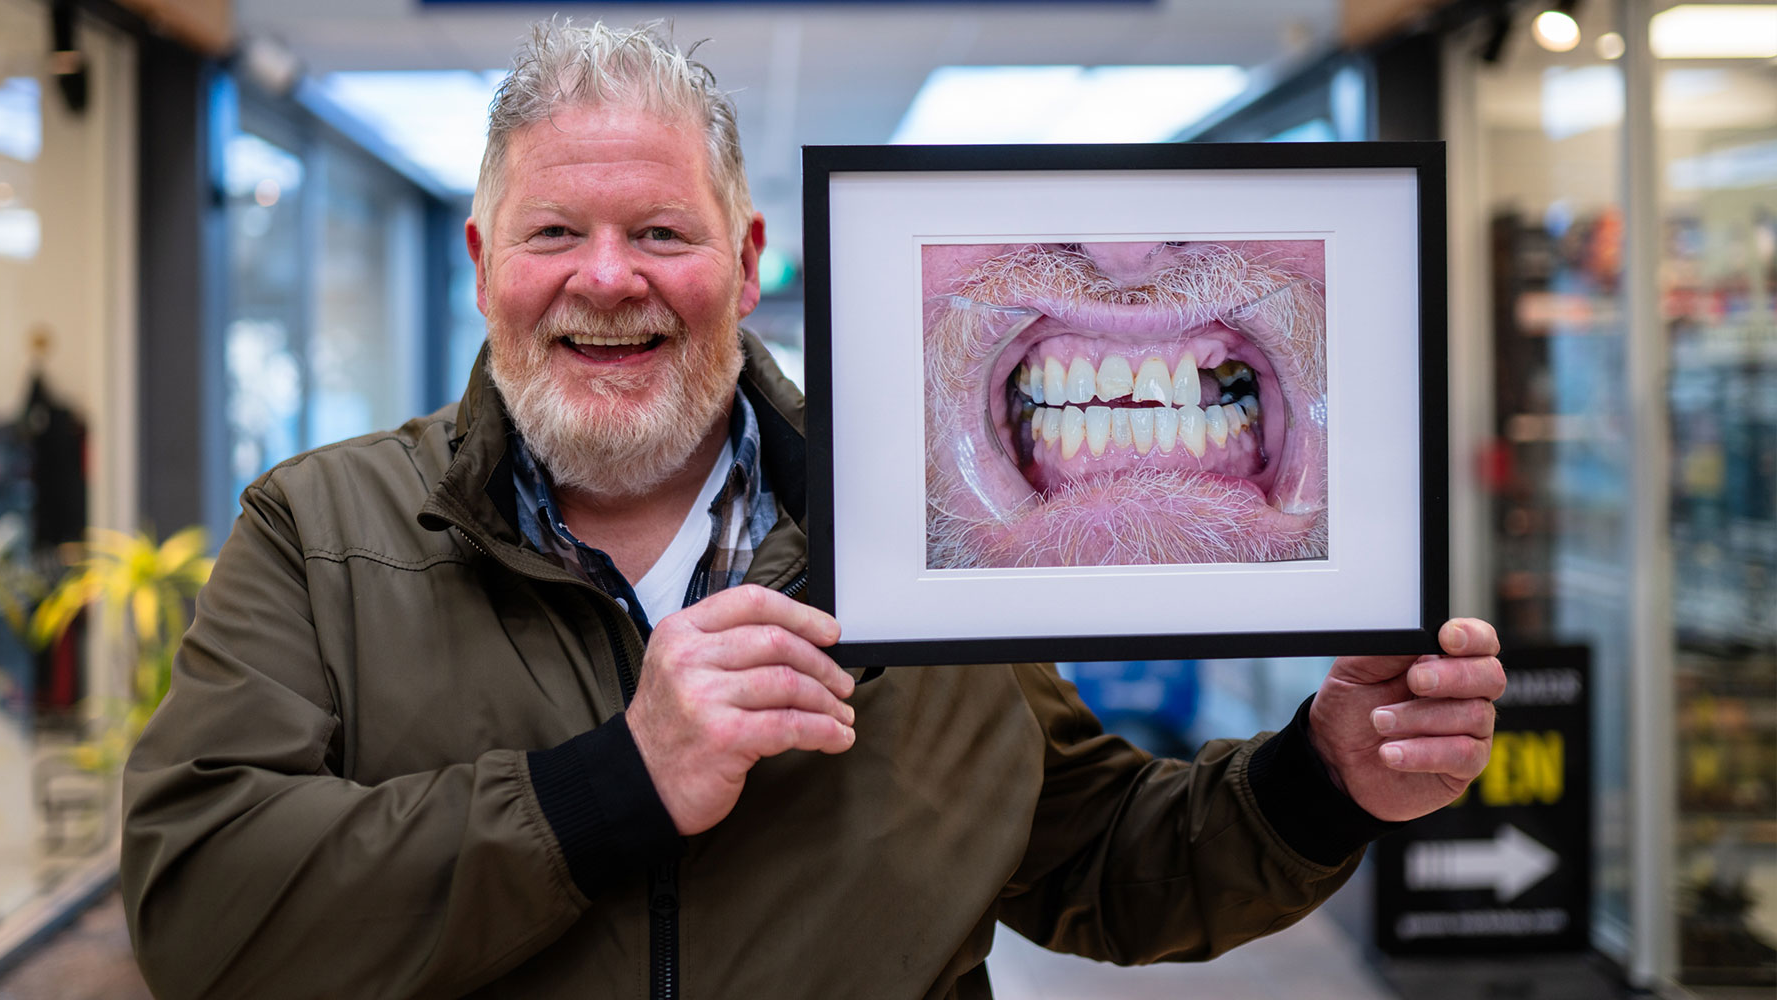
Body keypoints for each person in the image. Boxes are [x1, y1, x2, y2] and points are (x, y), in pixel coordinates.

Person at [121, 21, 1505, 1000]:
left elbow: (1096, 862)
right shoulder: (318, 531)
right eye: (554, 233)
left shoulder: (917, 524)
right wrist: (616, 785)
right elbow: (204, 911)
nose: (607, 279)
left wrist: (1324, 779)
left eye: (661, 232)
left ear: (745, 260)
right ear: (485, 265)